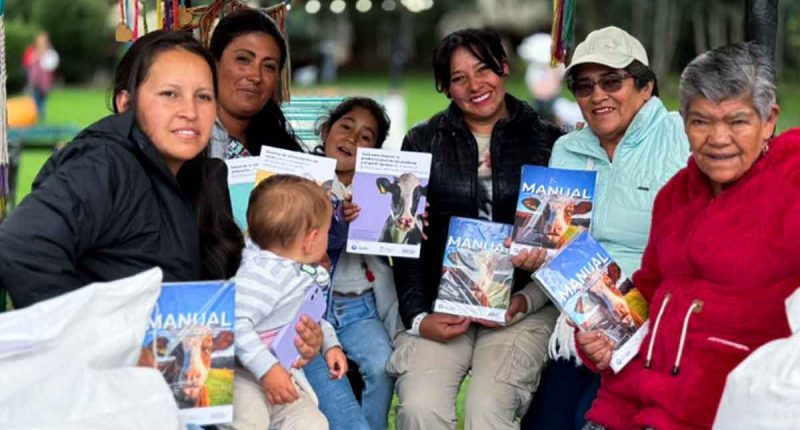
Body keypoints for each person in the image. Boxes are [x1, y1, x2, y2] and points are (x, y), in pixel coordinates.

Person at [578, 42, 800, 430]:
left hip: (723, 412)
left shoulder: (792, 181)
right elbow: (646, 293)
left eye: (737, 121)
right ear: (683, 124)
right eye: (701, 121)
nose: (717, 138)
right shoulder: (676, 194)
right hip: (626, 404)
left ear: (768, 121)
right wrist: (604, 334)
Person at [389, 28, 563, 430]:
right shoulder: (420, 141)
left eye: (483, 69)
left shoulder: (550, 141)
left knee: (488, 408)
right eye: (458, 77)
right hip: (441, 304)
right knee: (419, 409)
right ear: (446, 88)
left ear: (503, 68)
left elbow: (565, 246)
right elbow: (402, 240)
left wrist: (525, 301)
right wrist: (418, 317)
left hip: (519, 306)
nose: (475, 85)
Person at [522, 26, 689, 430]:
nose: (597, 96)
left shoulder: (681, 135)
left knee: (593, 420)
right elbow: (553, 242)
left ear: (645, 87)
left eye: (612, 81)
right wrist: (536, 256)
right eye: (584, 86)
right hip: (581, 318)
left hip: (658, 316)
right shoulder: (567, 148)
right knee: (549, 422)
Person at [0, 31, 217, 307]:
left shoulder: (189, 175)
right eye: (170, 94)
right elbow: (23, 243)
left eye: (204, 96)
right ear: (125, 103)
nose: (190, 111)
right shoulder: (105, 163)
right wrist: (85, 335)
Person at [305, 97, 397, 430]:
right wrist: (337, 221)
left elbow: (399, 242)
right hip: (315, 308)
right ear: (326, 131)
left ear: (373, 152)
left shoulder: (381, 191)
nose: (352, 138)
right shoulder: (302, 182)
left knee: (382, 364)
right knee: (332, 377)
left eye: (366, 136)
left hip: (360, 307)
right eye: (346, 127)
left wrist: (409, 220)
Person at [232, 174, 347, 430]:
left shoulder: (301, 271)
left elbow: (309, 315)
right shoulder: (261, 275)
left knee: (312, 423)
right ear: (310, 240)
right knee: (249, 420)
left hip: (281, 375)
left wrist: (330, 345)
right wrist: (267, 369)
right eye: (327, 232)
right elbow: (234, 323)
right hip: (241, 374)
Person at [208, 8, 302, 159]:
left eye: (269, 66)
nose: (256, 76)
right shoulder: (186, 141)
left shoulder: (281, 148)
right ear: (213, 62)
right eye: (243, 59)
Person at [24, 32, 59, 121]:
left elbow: (51, 66)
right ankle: (36, 118)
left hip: (44, 83)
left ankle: (40, 119)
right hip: (34, 82)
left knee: (42, 102)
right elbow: (28, 63)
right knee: (35, 101)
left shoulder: (49, 53)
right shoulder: (33, 51)